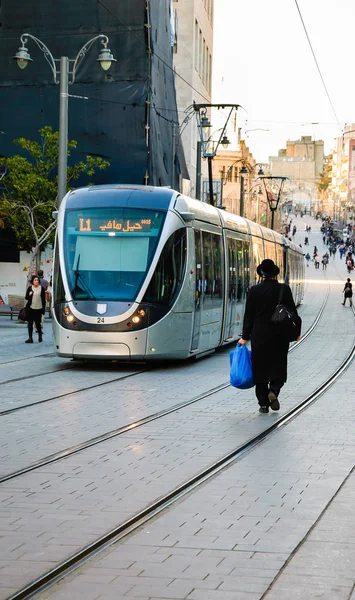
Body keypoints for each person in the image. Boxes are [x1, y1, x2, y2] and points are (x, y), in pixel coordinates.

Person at [238, 259, 301, 413]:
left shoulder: (253, 291)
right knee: (278, 365)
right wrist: (297, 332)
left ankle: (263, 404)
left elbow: (249, 316)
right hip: (280, 334)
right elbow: (293, 312)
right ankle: (274, 389)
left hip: (259, 335)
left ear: (262, 274)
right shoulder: (283, 289)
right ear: (275, 273)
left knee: (260, 369)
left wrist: (245, 336)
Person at [25, 275, 46, 343]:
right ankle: (30, 338)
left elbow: (43, 300)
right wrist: (29, 295)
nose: (36, 281)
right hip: (31, 308)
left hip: (38, 308)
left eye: (37, 280)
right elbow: (26, 298)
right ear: (32, 281)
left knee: (38, 324)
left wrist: (43, 310)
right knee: (30, 323)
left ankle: (40, 336)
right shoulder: (30, 288)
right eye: (35, 280)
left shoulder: (41, 288)